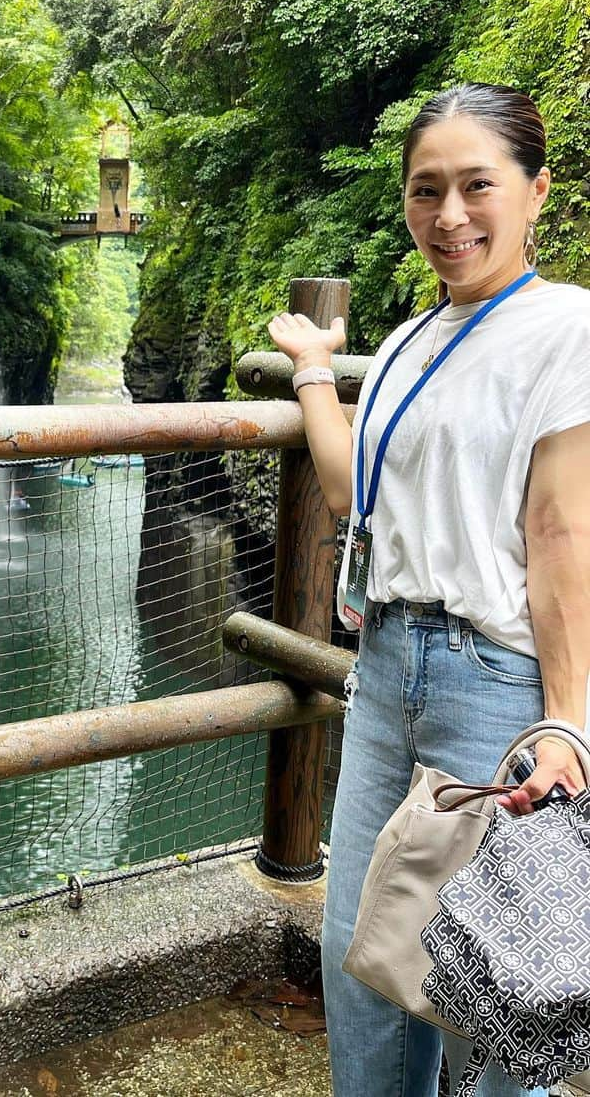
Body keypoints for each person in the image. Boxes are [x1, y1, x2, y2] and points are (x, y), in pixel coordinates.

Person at [268, 83, 590, 1097]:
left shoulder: (567, 330)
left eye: (477, 186)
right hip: (388, 667)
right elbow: (348, 483)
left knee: (492, 986)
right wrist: (317, 368)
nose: (450, 216)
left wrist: (569, 719)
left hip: (491, 680)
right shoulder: (410, 340)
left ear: (536, 192)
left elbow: (561, 530)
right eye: (426, 190)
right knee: (364, 957)